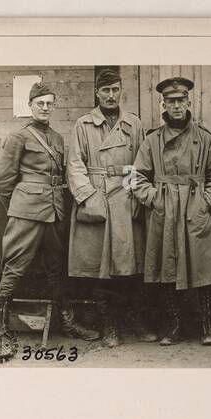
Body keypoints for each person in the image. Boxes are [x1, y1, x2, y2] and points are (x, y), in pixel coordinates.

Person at [0, 78, 99, 362]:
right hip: (26, 212)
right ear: (30, 106)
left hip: (54, 212)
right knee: (14, 268)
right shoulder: (19, 137)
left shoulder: (58, 139)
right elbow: (3, 182)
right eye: (40, 104)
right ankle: (1, 334)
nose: (45, 108)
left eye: (50, 104)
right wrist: (18, 207)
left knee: (56, 269)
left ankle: (67, 322)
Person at [130, 76, 211, 346]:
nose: (176, 106)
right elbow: (136, 176)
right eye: (171, 101)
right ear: (164, 104)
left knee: (203, 268)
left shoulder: (205, 139)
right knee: (166, 267)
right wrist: (154, 198)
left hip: (196, 207)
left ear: (189, 103)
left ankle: (207, 327)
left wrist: (207, 201)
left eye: (181, 101)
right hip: (165, 210)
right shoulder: (152, 140)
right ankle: (173, 327)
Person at [65, 67, 154, 347]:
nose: (111, 95)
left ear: (120, 91)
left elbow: (143, 163)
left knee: (131, 268)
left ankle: (134, 321)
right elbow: (74, 165)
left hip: (126, 198)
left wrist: (138, 195)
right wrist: (89, 197)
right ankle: (109, 326)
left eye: (115, 89)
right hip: (98, 197)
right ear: (97, 93)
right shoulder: (83, 125)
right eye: (106, 90)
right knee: (100, 270)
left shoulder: (134, 124)